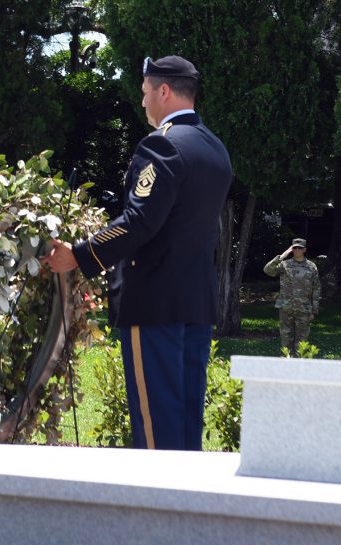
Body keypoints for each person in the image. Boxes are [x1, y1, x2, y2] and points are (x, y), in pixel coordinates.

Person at [43, 55, 233, 451]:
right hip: (196, 306)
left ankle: (158, 513)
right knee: (185, 430)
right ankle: (188, 512)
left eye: (146, 91)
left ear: (164, 91)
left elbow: (139, 222)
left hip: (154, 306)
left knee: (155, 434)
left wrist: (79, 254)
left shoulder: (162, 146)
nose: (142, 100)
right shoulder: (215, 149)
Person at [264, 237, 320, 355]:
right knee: (286, 340)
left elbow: (316, 288)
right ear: (291, 249)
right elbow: (268, 270)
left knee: (302, 341)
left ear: (304, 249)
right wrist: (282, 256)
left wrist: (314, 310)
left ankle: (300, 367)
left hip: (304, 309)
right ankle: (286, 366)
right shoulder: (284, 265)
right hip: (286, 308)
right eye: (295, 248)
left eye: (300, 248)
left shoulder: (311, 266)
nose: (297, 250)